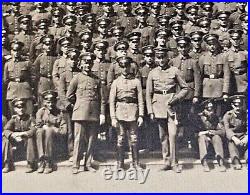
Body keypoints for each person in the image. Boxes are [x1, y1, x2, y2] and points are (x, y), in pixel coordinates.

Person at [146, 48, 189, 173]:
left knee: (173, 134)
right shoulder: (152, 73)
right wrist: (150, 111)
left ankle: (175, 162)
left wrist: (176, 98)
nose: (161, 60)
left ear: (167, 58)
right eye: (158, 58)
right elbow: (148, 94)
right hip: (158, 106)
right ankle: (166, 161)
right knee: (162, 136)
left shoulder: (174, 71)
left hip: (172, 106)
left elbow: (185, 88)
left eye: (163, 57)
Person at [67, 52, 105, 174]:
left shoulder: (96, 79)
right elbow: (69, 96)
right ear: (81, 64)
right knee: (78, 139)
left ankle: (88, 164)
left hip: (93, 112)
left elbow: (102, 99)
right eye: (85, 62)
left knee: (91, 139)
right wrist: (79, 104)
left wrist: (102, 113)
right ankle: (76, 165)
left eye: (90, 62)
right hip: (80, 113)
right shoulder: (77, 78)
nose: (88, 65)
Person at [110, 56, 144, 169]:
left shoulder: (136, 81)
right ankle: (120, 163)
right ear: (119, 68)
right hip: (120, 113)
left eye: (126, 66)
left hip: (133, 112)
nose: (125, 69)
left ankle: (136, 163)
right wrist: (113, 117)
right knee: (120, 138)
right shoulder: (115, 82)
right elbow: (112, 101)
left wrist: (141, 115)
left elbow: (140, 99)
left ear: (130, 67)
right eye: (122, 66)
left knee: (134, 138)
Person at [2, 98, 37, 173]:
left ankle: (31, 164)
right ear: (15, 109)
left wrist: (23, 134)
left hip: (26, 141)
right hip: (16, 141)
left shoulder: (30, 118)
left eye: (23, 107)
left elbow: (33, 129)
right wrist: (13, 135)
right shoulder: (13, 119)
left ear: (25, 108)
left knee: (30, 138)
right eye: (18, 107)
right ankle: (7, 164)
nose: (21, 109)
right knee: (6, 139)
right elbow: (6, 130)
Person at [36, 90, 67, 174]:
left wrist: (53, 128)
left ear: (55, 102)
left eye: (52, 102)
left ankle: (48, 161)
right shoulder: (41, 112)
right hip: (43, 139)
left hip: (56, 140)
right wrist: (43, 127)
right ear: (44, 102)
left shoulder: (59, 113)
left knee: (49, 130)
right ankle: (42, 160)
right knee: (39, 131)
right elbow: (37, 126)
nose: (50, 105)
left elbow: (64, 131)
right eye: (48, 102)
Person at [3, 40, 36, 117]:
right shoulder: (8, 64)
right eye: (14, 50)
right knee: (13, 114)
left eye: (18, 50)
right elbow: (5, 79)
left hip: (25, 89)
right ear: (11, 51)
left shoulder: (27, 63)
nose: (16, 52)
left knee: (29, 113)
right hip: (12, 90)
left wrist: (30, 87)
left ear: (21, 51)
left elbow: (33, 77)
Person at [194, 99, 227, 172]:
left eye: (211, 108)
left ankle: (220, 162)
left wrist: (212, 132)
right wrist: (205, 133)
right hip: (202, 139)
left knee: (217, 137)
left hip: (213, 137)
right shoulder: (198, 118)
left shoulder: (217, 117)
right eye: (207, 108)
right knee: (202, 138)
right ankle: (204, 162)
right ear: (203, 109)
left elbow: (222, 132)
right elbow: (195, 133)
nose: (209, 110)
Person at [223, 95, 248, 170]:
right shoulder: (228, 115)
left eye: (240, 105)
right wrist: (234, 138)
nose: (238, 107)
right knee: (231, 143)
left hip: (244, 135)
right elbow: (227, 129)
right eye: (235, 105)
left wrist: (247, 137)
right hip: (233, 136)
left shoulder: (246, 114)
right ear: (232, 105)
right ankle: (235, 161)